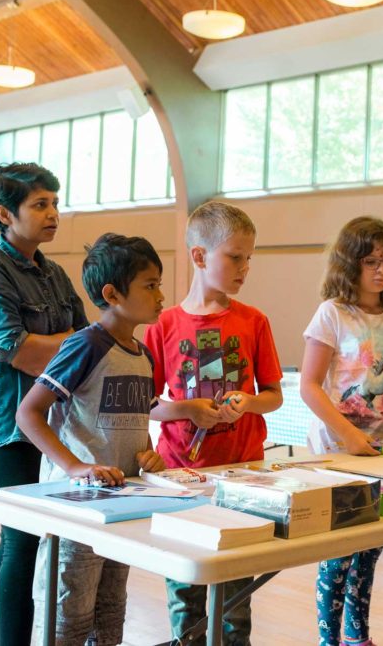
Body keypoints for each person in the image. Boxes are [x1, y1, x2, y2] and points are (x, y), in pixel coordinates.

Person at [15, 233, 167, 645]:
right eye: (150, 285)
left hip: (124, 507)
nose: (161, 295)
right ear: (112, 293)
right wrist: (74, 466)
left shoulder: (143, 353)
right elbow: (29, 413)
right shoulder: (85, 344)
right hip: (77, 508)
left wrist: (150, 457)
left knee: (110, 613)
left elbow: (132, 423)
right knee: (68, 616)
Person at [143, 201, 283, 645]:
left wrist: (249, 402)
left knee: (237, 598)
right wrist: (187, 410)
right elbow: (146, 404)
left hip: (243, 474)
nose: (245, 268)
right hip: (181, 476)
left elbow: (274, 398)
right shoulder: (162, 324)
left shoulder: (254, 320)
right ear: (200, 257)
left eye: (249, 258)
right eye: (235, 257)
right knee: (186, 591)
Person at [0, 162, 88, 646]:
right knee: (22, 535)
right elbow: (20, 351)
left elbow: (87, 341)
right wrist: (69, 343)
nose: (54, 212)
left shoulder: (55, 273)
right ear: (4, 214)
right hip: (4, 426)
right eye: (40, 204)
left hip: (53, 421)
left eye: (55, 202)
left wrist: (61, 343)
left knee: (22, 538)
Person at [300, 216, 383, 646]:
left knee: (371, 548)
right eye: (370, 261)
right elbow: (309, 386)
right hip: (336, 453)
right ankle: (327, 640)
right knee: (338, 556)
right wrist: (349, 437)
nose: (380, 270)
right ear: (349, 264)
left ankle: (358, 637)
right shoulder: (331, 314)